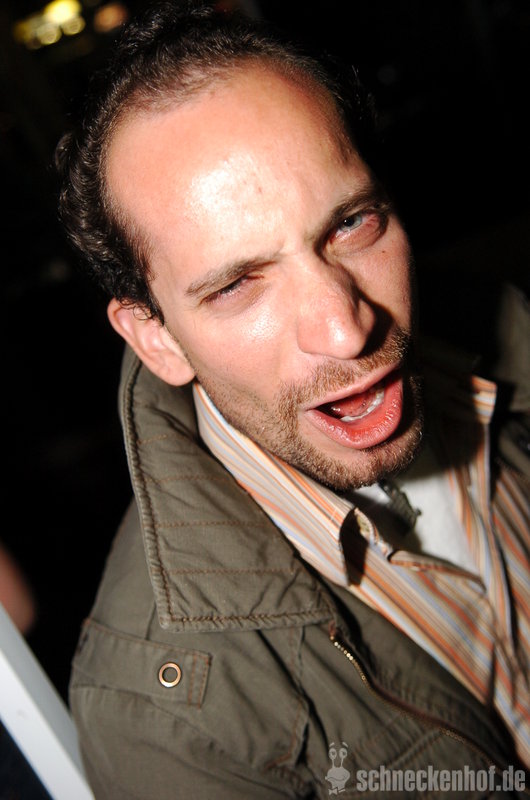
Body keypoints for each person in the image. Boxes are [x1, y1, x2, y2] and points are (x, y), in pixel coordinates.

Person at [56, 2, 529, 797]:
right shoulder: (169, 727)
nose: (345, 329)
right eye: (238, 284)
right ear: (156, 339)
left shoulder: (508, 343)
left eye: (350, 224)